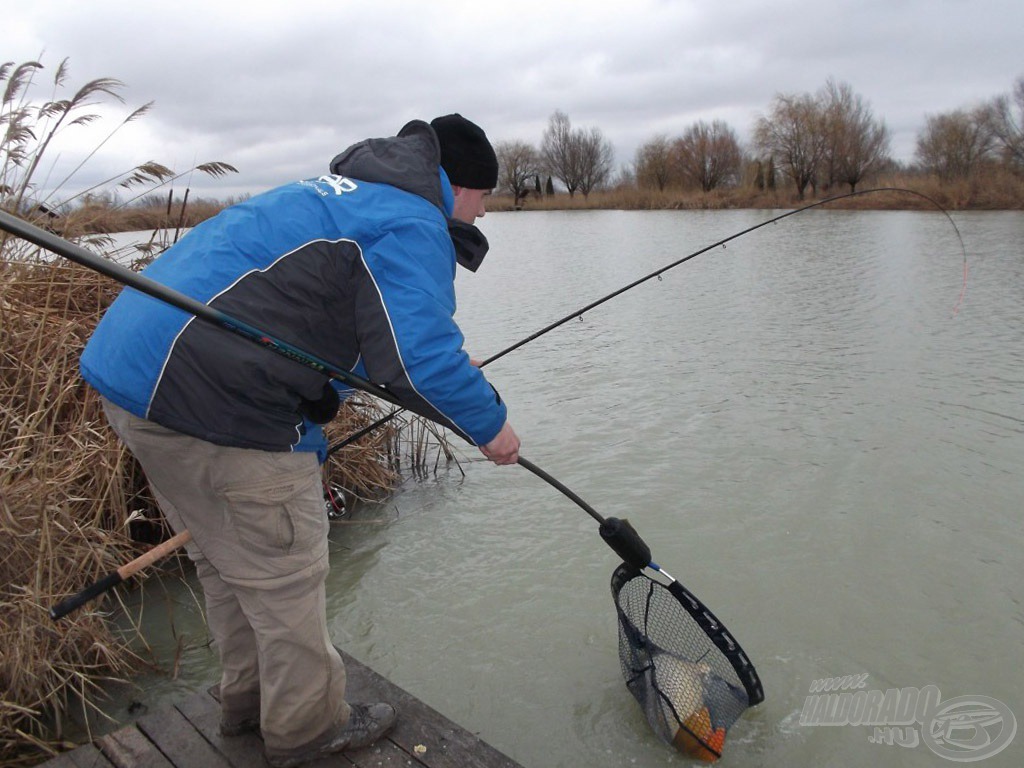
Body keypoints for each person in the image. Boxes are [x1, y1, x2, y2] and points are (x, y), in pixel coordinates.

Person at [80, 114, 520, 768]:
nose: (483, 216)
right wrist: (493, 427)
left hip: (135, 381)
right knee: (286, 568)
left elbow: (363, 343)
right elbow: (420, 360)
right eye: (486, 199)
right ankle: (305, 731)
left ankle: (248, 707)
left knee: (230, 562)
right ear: (460, 188)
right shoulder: (413, 221)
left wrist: (435, 377)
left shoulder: (339, 194)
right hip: (207, 402)